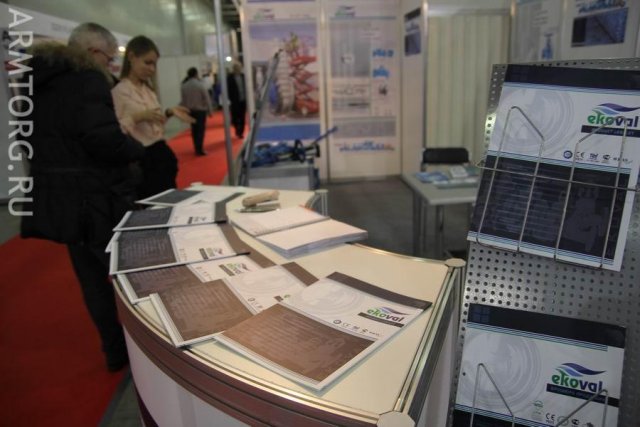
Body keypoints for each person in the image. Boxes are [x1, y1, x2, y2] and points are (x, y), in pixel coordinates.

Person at [21, 23, 145, 372]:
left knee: (90, 280)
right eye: (109, 58)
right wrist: (135, 150)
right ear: (93, 53)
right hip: (97, 199)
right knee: (129, 275)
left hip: (60, 202)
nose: (110, 65)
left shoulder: (36, 82)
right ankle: (145, 351)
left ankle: (114, 351)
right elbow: (103, 139)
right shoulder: (87, 80)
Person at [111, 35, 194, 199]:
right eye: (147, 62)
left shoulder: (148, 90)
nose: (152, 69)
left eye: (154, 64)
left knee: (169, 201)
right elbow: (114, 132)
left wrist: (168, 113)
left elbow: (157, 125)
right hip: (142, 159)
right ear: (132, 57)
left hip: (161, 154)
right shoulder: (119, 92)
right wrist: (137, 117)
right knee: (154, 205)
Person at [181, 67, 212, 156]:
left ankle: (196, 147)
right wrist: (210, 110)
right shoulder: (200, 85)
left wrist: (184, 111)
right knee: (200, 130)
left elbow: (184, 100)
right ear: (196, 74)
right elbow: (206, 98)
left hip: (190, 111)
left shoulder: (184, 86)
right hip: (200, 111)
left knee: (194, 130)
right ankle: (200, 148)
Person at [227, 61, 247, 138]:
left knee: (242, 116)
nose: (238, 69)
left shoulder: (243, 76)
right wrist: (230, 98)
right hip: (234, 101)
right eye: (236, 67)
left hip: (243, 100)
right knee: (235, 116)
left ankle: (240, 132)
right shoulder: (230, 78)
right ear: (234, 68)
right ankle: (237, 129)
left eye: (239, 67)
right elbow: (228, 89)